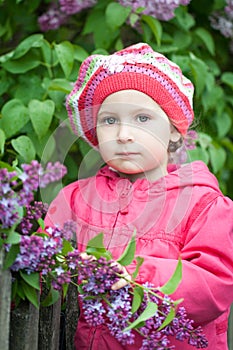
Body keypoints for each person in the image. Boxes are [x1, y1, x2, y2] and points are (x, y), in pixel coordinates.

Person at [43, 43, 233, 349]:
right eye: (109, 120)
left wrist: (135, 275)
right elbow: (39, 267)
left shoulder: (203, 203)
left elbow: (213, 284)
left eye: (142, 119)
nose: (123, 134)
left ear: (174, 130)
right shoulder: (74, 200)